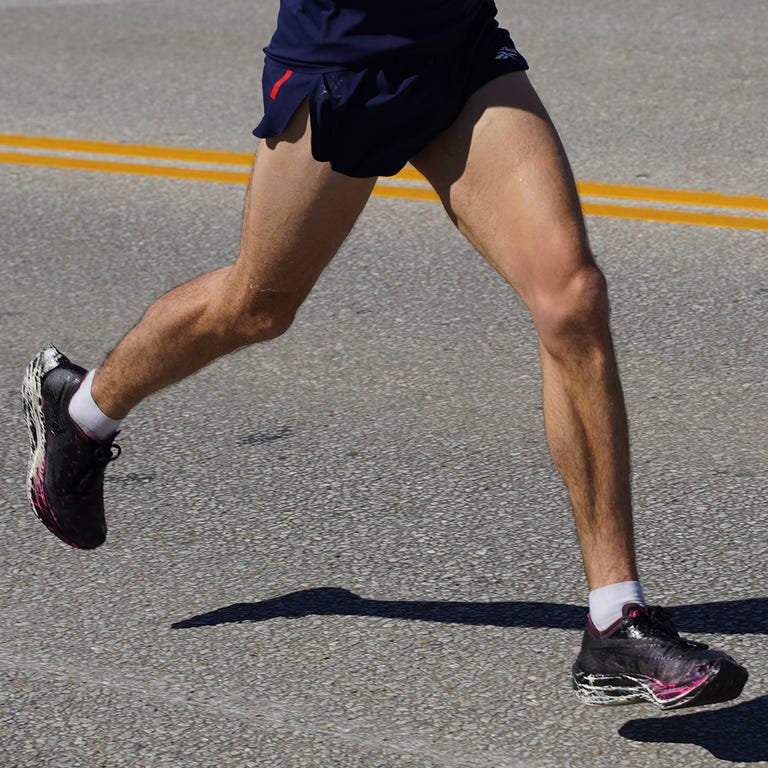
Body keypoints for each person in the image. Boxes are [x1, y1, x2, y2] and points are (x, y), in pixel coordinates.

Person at [22, 0, 747, 710]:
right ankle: (81, 409)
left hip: (457, 49)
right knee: (257, 305)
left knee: (573, 299)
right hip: (341, 58)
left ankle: (615, 621)